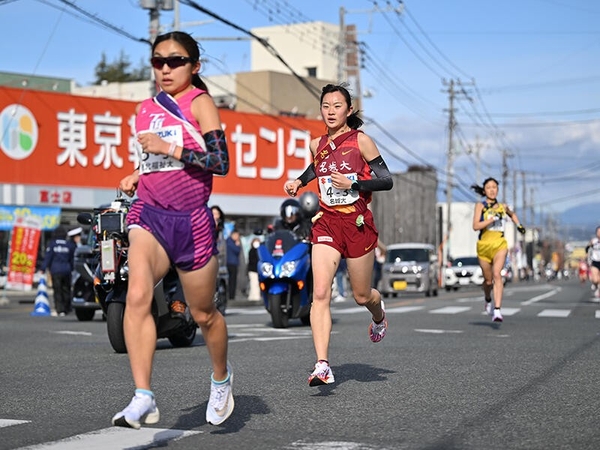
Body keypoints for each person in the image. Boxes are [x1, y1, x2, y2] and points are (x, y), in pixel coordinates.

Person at [113, 31, 233, 429]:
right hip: (149, 214)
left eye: (175, 61)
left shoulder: (200, 102)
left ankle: (221, 379)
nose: (165, 69)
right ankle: (143, 396)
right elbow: (155, 162)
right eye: (158, 61)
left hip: (191, 221)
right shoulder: (144, 109)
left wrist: (168, 148)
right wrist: (137, 174)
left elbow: (220, 162)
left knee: (203, 314)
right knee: (137, 295)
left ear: (194, 66)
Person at [284, 83, 393, 386]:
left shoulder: (361, 141)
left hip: (357, 223)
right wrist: (299, 182)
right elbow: (316, 169)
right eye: (326, 106)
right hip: (327, 222)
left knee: (361, 295)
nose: (330, 111)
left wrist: (354, 184)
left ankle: (378, 314)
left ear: (349, 110)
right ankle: (322, 365)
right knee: (320, 293)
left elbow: (386, 180)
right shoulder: (316, 144)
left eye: (337, 106)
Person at [471, 177, 526, 322]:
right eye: (489, 187)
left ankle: (497, 310)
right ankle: (488, 298)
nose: (492, 190)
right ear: (484, 191)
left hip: (499, 245)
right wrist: (490, 220)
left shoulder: (503, 207)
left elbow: (512, 214)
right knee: (488, 281)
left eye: (494, 187)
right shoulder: (480, 206)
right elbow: (475, 226)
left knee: (497, 274)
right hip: (484, 247)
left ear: (498, 190)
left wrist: (519, 226)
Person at [39, 226, 76, 316]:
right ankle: (67, 308)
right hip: (67, 270)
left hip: (56, 270)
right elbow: (72, 258)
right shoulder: (68, 244)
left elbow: (48, 257)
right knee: (67, 290)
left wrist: (43, 268)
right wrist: (72, 268)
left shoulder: (52, 244)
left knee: (57, 290)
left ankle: (60, 309)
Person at [226, 229, 241, 301]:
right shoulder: (230, 242)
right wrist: (238, 245)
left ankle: (231, 295)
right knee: (232, 280)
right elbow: (237, 250)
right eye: (237, 235)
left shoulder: (228, 241)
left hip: (231, 263)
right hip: (231, 263)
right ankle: (231, 295)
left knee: (232, 280)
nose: (238, 237)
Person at [585, 226, 600, 298]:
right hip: (595, 261)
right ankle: (596, 286)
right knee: (595, 279)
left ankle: (598, 289)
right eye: (598, 232)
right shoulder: (594, 241)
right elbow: (587, 248)